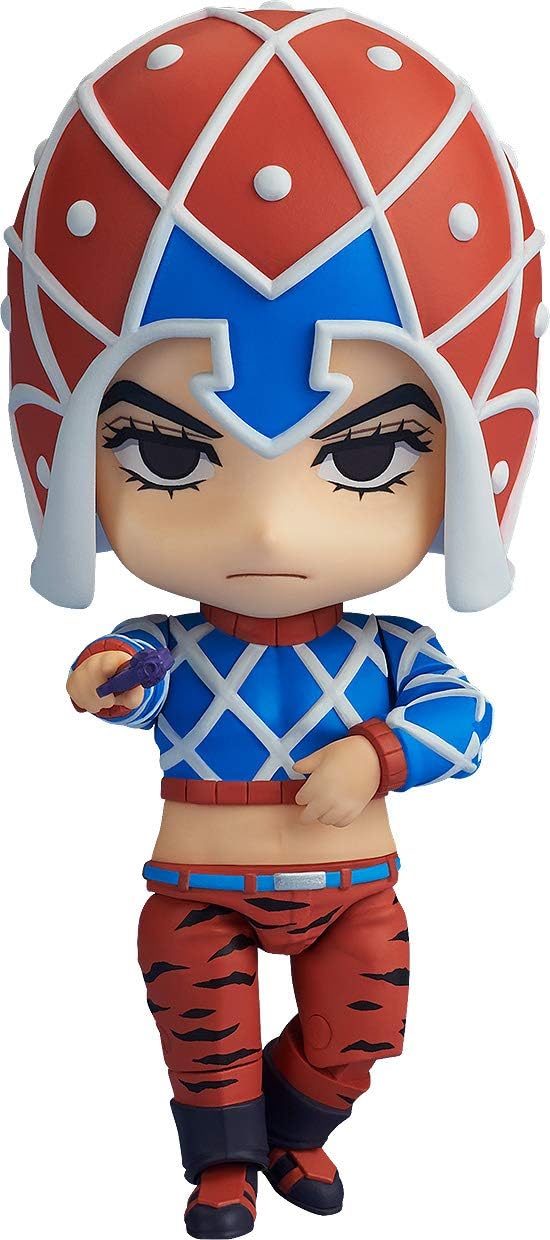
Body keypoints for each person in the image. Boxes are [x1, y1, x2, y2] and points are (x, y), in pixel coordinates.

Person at [5, 5, 543, 1237]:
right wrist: (100, 677)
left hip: (355, 883)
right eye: (163, 453)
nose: (265, 527)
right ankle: (221, 1163)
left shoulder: (389, 651)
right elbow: (126, 670)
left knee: (368, 1023)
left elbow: (466, 719)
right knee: (200, 1031)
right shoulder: (174, 644)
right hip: (198, 880)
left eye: (361, 458)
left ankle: (298, 1126)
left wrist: (377, 756)